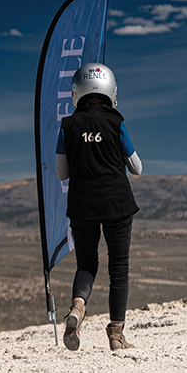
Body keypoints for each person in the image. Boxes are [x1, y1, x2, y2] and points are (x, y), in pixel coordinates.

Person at [56, 62, 142, 352]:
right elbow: (137, 167)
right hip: (117, 203)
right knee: (118, 268)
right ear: (110, 90)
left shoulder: (67, 125)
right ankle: (116, 336)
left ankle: (78, 308)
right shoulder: (117, 122)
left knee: (87, 264)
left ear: (77, 92)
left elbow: (61, 172)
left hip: (82, 205)